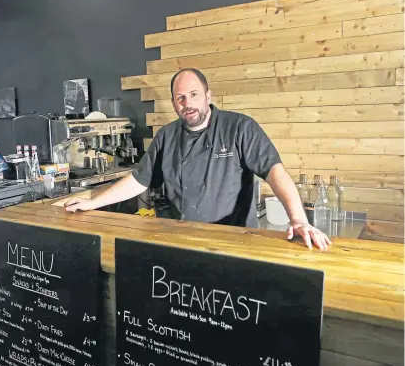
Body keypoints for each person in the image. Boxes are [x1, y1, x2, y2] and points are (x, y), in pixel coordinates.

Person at [65, 68, 332, 251]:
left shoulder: (239, 127)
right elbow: (139, 180)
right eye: (180, 98)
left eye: (193, 95)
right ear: (173, 102)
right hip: (180, 240)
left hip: (233, 243)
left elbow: (274, 171)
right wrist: (92, 202)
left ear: (208, 96)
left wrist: (298, 221)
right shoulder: (167, 136)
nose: (187, 103)